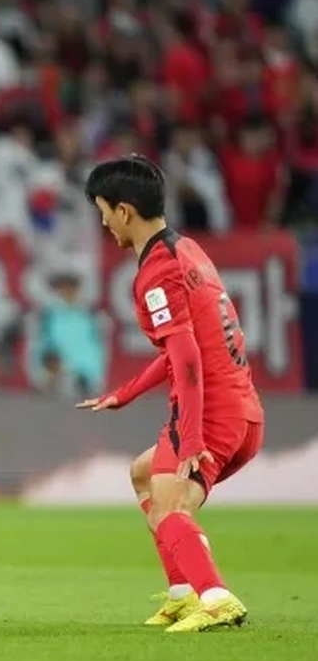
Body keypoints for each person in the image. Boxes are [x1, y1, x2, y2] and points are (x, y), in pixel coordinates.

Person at [77, 154, 263, 633]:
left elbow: (186, 360)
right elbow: (189, 343)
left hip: (211, 413)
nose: (101, 221)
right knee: (143, 476)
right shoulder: (188, 251)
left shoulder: (156, 272)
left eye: (101, 209)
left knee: (172, 506)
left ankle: (216, 598)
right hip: (244, 411)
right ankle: (183, 594)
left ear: (123, 211)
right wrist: (127, 393)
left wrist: (192, 435)